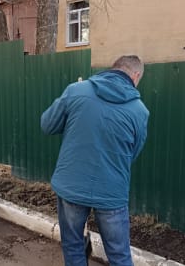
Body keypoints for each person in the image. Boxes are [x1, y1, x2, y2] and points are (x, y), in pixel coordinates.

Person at [41, 55, 149, 266]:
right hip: (112, 190)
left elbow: (47, 124)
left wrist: (69, 102)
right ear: (136, 76)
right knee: (119, 254)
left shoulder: (75, 91)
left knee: (73, 246)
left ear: (113, 68)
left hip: (72, 185)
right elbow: (132, 153)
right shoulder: (140, 111)